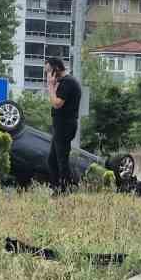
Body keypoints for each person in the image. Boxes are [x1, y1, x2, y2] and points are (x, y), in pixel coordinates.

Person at [44, 57, 82, 192]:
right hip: (60, 125)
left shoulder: (68, 83)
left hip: (65, 125)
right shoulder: (64, 82)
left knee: (61, 160)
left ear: (57, 69)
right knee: (52, 160)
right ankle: (57, 188)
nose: (47, 75)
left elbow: (57, 103)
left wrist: (50, 86)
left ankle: (64, 190)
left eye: (49, 71)